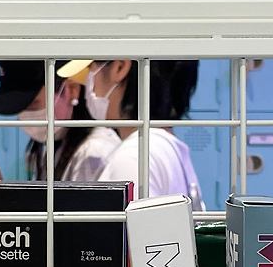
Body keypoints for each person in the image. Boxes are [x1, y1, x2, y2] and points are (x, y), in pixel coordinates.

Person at [57, 59, 203, 206]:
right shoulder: (164, 149)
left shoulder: (134, 157)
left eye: (91, 69)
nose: (88, 85)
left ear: (120, 67)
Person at [0, 60, 120, 182]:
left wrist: (6, 201)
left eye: (33, 104)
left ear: (72, 90)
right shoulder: (54, 148)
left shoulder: (95, 152)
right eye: (19, 108)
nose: (25, 115)